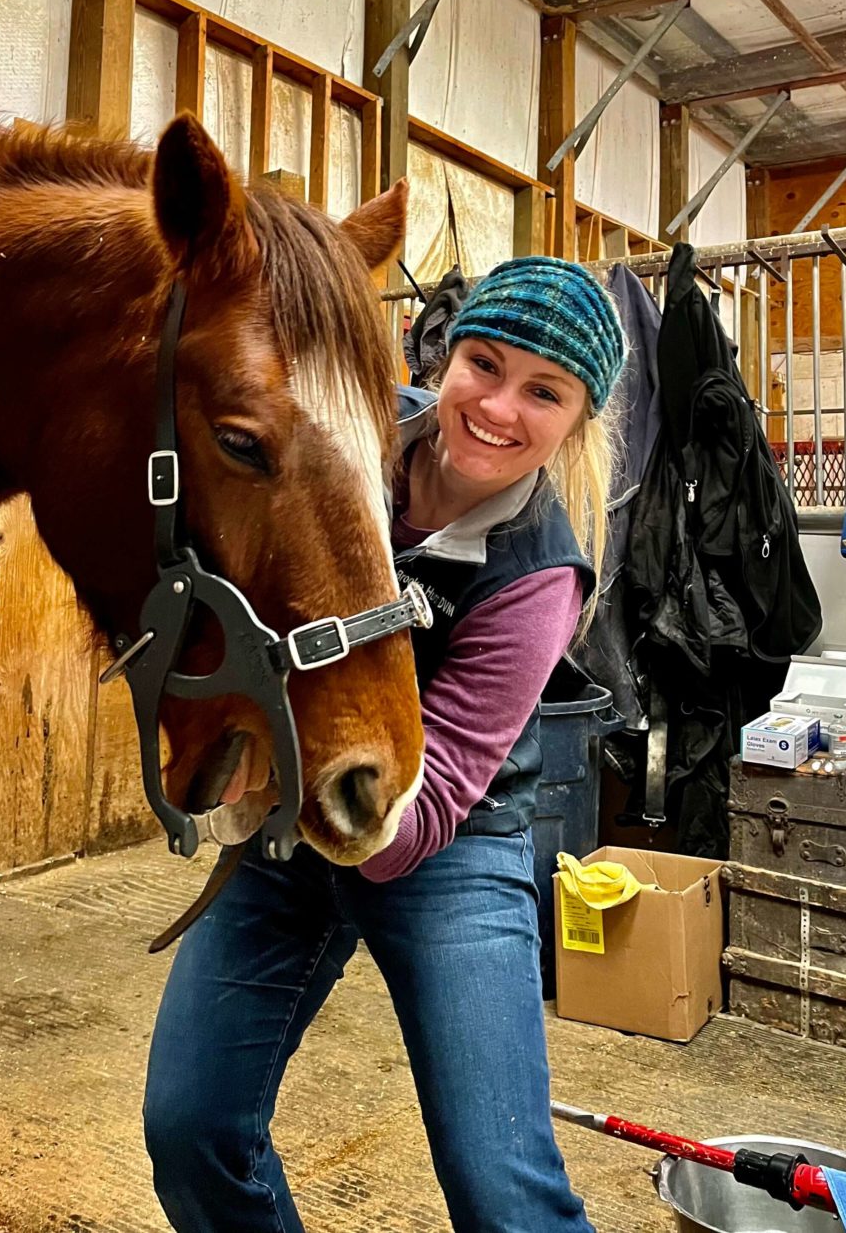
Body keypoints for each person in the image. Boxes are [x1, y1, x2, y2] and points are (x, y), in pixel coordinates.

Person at [144, 255, 627, 1232]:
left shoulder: (537, 575)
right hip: (285, 832)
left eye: (542, 392)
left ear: (576, 419)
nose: (496, 406)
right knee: (190, 1126)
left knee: (499, 1185)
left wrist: (275, 769)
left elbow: (434, 801)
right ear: (444, 356)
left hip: (448, 846)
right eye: (482, 365)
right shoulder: (349, 437)